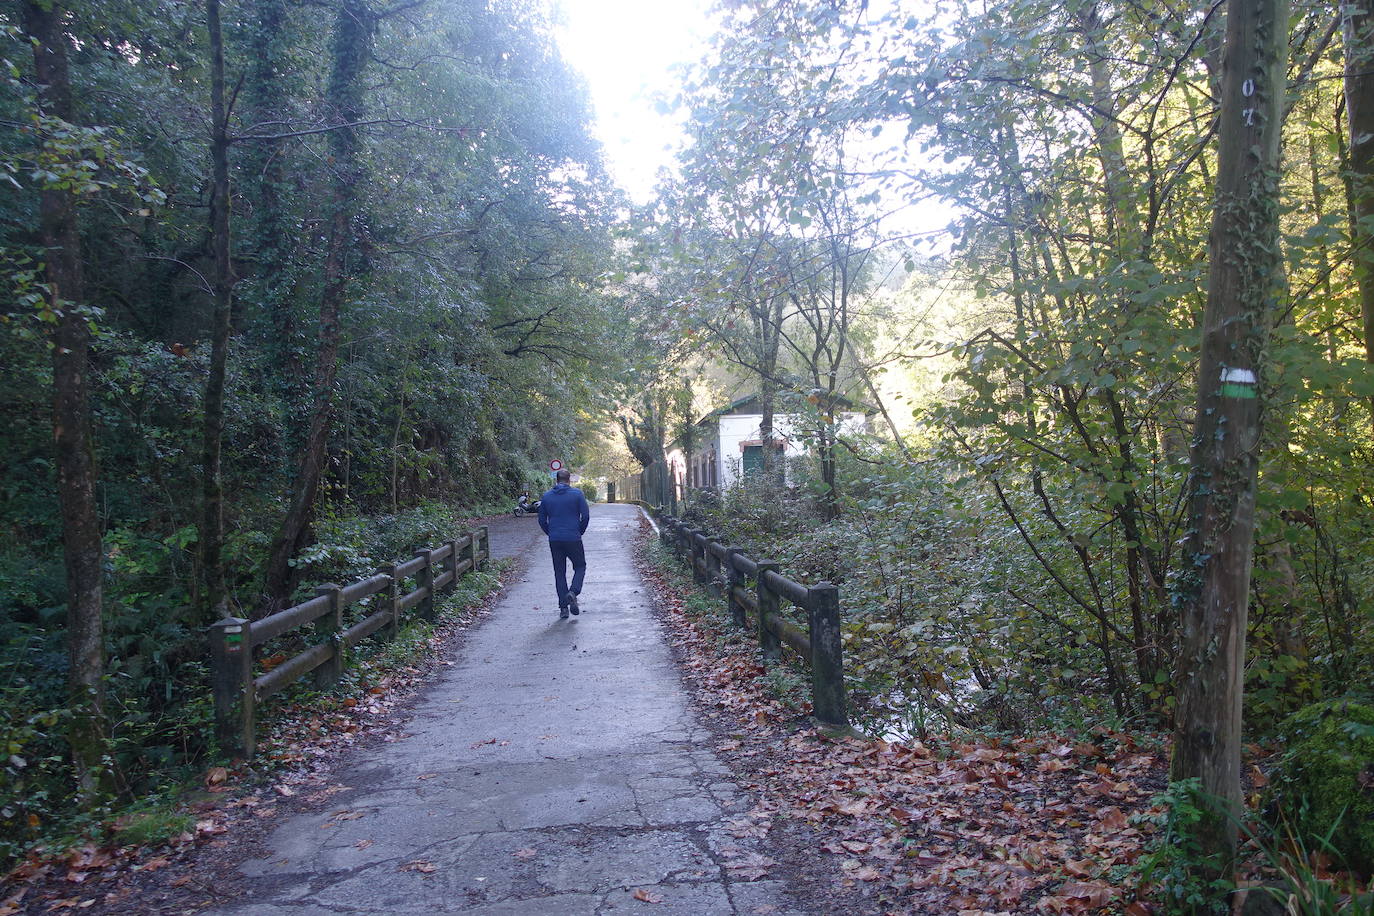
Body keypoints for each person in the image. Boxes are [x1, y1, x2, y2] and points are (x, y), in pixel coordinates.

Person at [537, 468, 590, 619]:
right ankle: (573, 592)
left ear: (557, 480)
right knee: (580, 566)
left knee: (559, 572)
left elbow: (541, 520)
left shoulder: (547, 496)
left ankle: (563, 609)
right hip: (573, 537)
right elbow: (585, 516)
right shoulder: (577, 494)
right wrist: (579, 531)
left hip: (555, 539)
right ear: (569, 480)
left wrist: (550, 532)